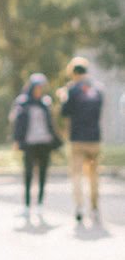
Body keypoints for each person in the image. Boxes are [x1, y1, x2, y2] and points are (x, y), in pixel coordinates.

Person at [59, 55, 104, 224]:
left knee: (77, 175)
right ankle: (95, 207)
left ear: (73, 73)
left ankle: (79, 207)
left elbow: (65, 112)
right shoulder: (98, 89)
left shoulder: (71, 90)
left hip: (77, 139)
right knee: (93, 175)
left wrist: (64, 96)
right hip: (94, 138)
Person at [9, 74, 61, 217]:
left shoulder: (46, 103)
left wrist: (56, 141)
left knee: (43, 175)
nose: (39, 90)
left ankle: (40, 204)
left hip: (44, 143)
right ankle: (26, 205)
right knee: (28, 175)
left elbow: (51, 124)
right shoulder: (23, 102)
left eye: (41, 88)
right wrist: (17, 140)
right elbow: (17, 124)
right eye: (37, 87)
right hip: (29, 144)